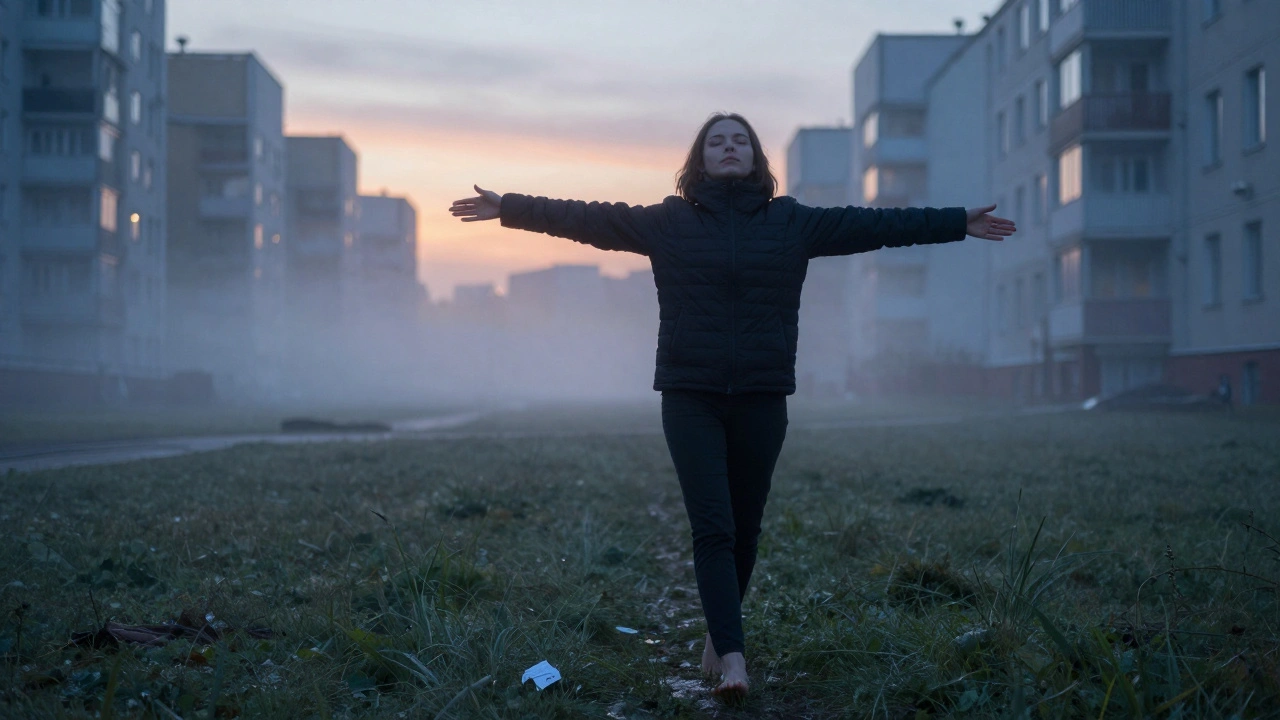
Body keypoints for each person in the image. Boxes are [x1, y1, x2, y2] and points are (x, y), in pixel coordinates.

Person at [450, 112, 1016, 700]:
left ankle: (717, 638)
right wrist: (508, 206)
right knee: (714, 528)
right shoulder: (669, 222)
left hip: (762, 396)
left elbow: (878, 225)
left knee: (745, 530)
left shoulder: (791, 221)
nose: (728, 147)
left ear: (754, 157)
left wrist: (958, 221)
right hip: (689, 395)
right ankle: (735, 664)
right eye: (716, 141)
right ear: (699, 158)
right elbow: (585, 217)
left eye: (739, 140)